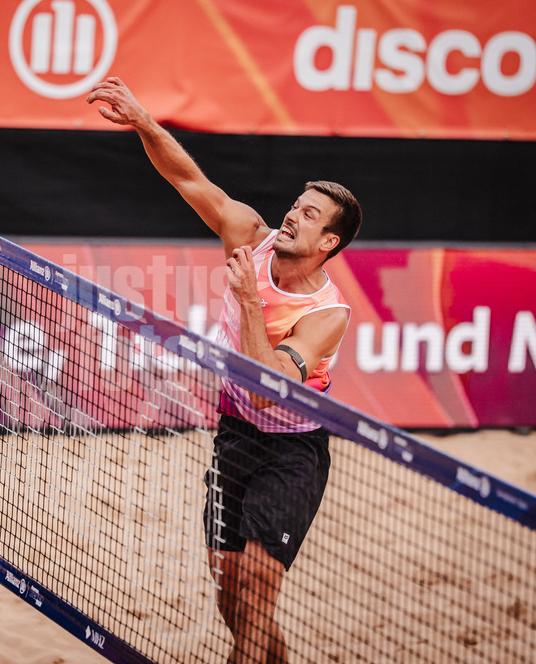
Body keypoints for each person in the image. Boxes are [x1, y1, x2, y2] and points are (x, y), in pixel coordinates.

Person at [87, 77, 361, 663]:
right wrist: (144, 120)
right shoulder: (250, 238)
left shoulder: (326, 315)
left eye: (307, 214)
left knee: (258, 592)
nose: (291, 215)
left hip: (292, 452)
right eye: (294, 204)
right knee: (235, 602)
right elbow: (189, 178)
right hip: (235, 435)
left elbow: (270, 394)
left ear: (328, 240)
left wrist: (248, 304)